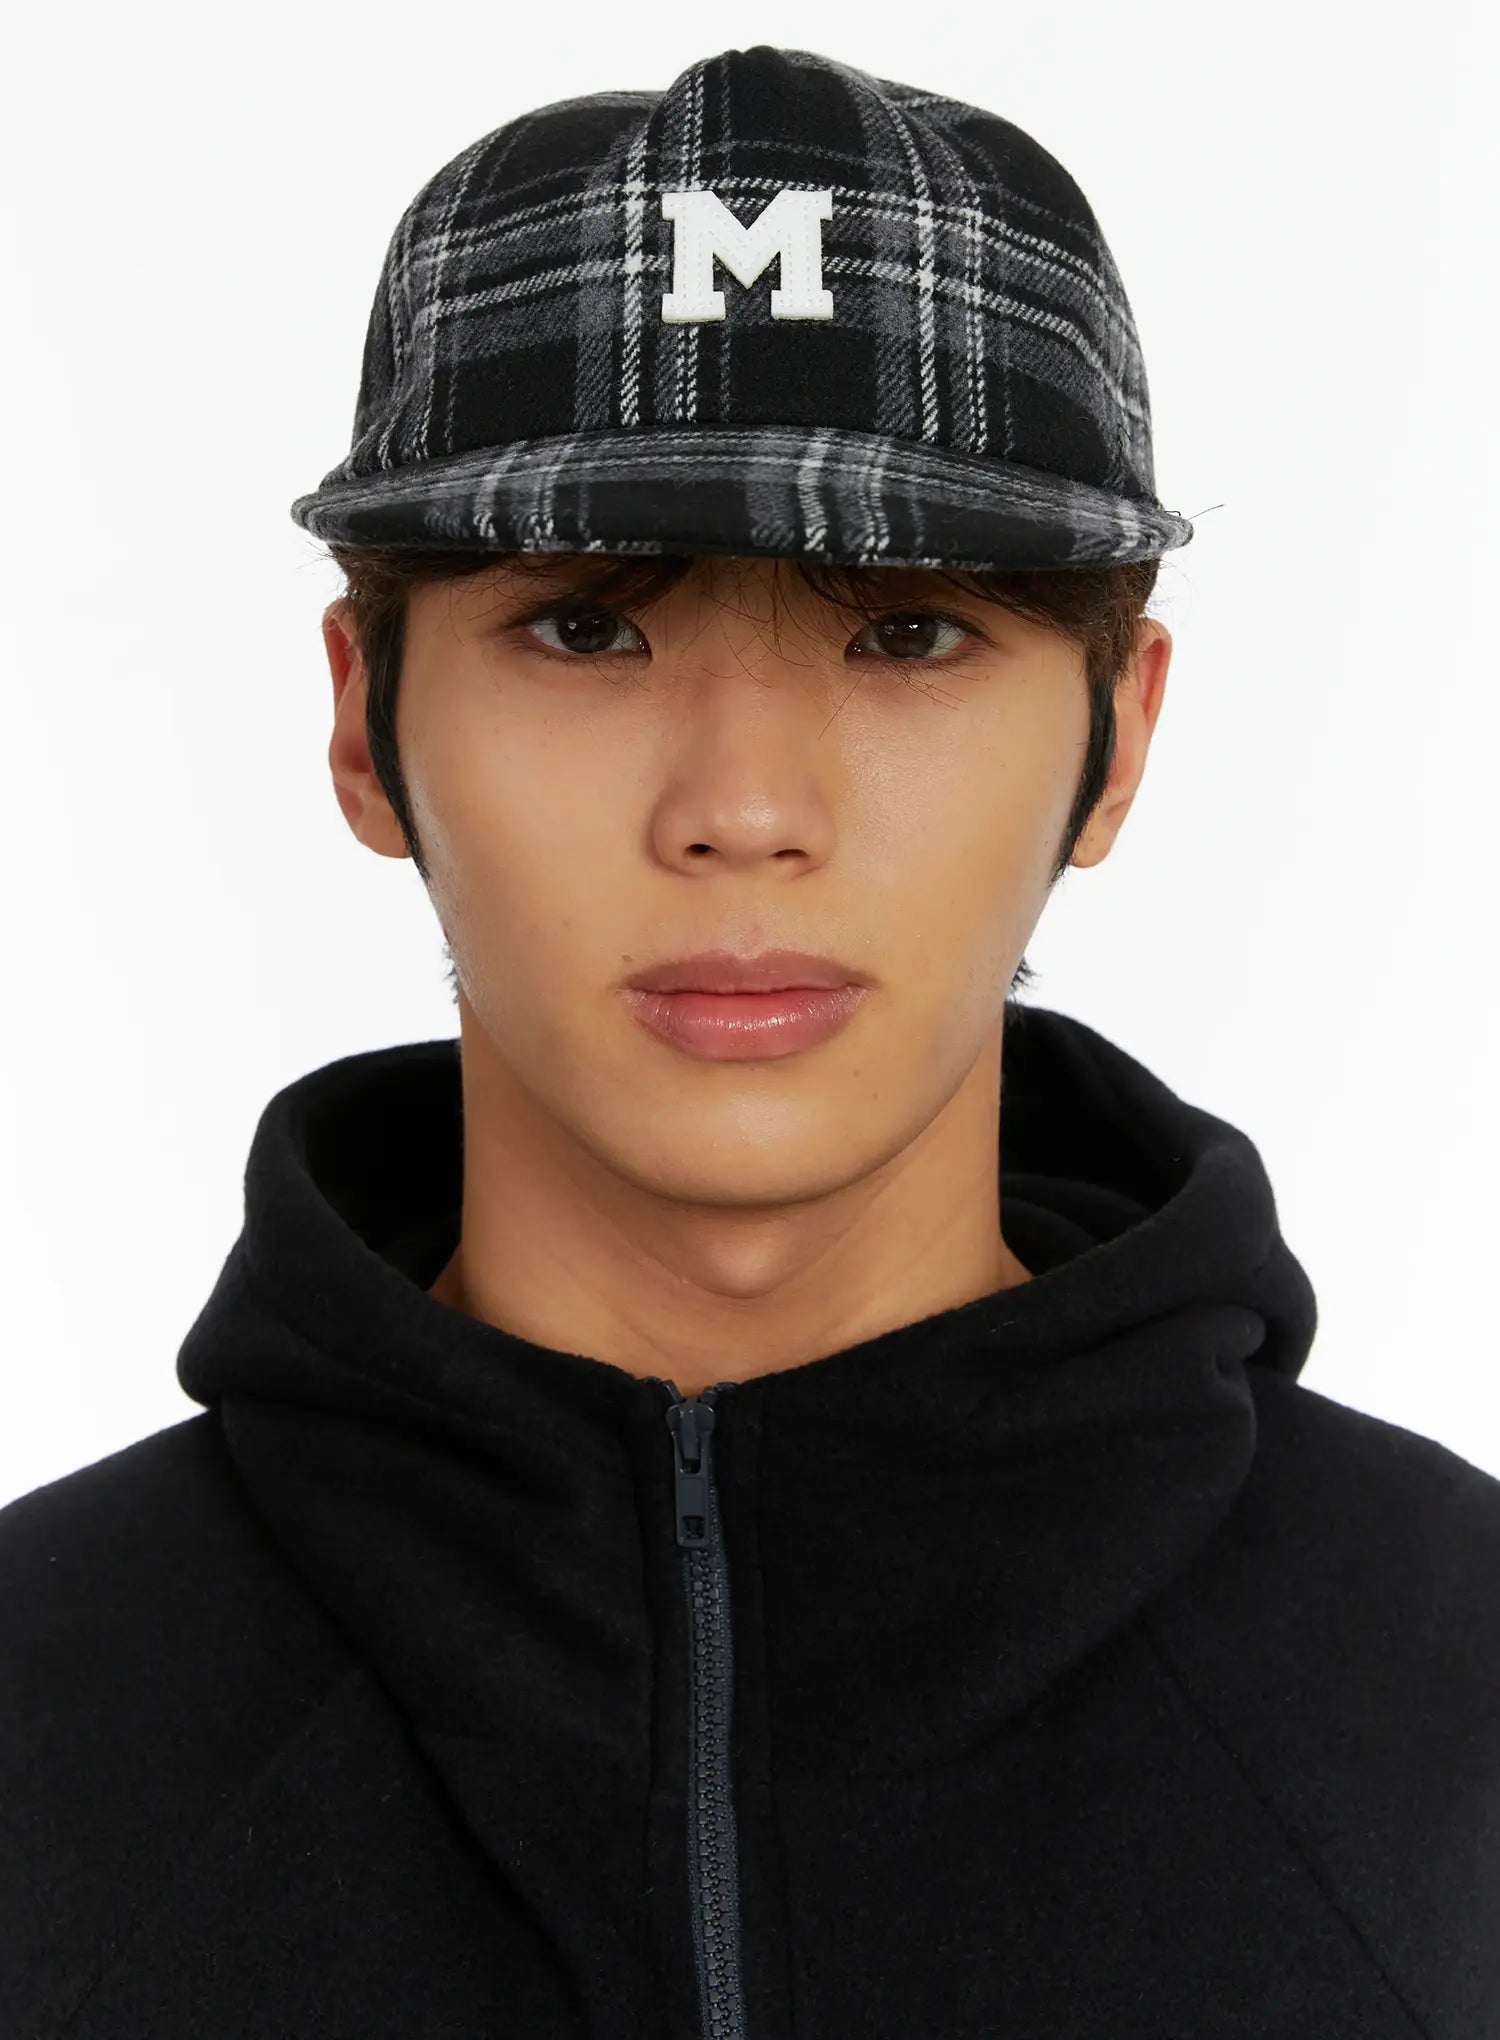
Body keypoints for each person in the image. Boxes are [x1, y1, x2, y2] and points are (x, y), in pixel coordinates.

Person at [4, 43, 1497, 2040]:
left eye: (908, 633)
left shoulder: (1462, 1708)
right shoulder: (36, 1721)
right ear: (365, 722)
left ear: (1119, 735)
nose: (743, 809)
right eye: (587, 628)